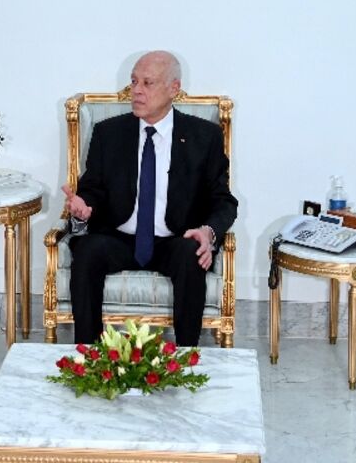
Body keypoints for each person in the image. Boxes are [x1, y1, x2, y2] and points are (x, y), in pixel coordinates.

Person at [61, 51, 237, 346]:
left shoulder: (203, 136)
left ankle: (184, 356)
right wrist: (84, 207)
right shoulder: (109, 133)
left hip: (174, 239)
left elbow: (223, 200)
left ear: (174, 88)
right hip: (120, 238)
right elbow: (93, 188)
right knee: (89, 250)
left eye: (147, 83)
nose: (137, 91)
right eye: (133, 81)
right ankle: (89, 352)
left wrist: (208, 231)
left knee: (190, 251)